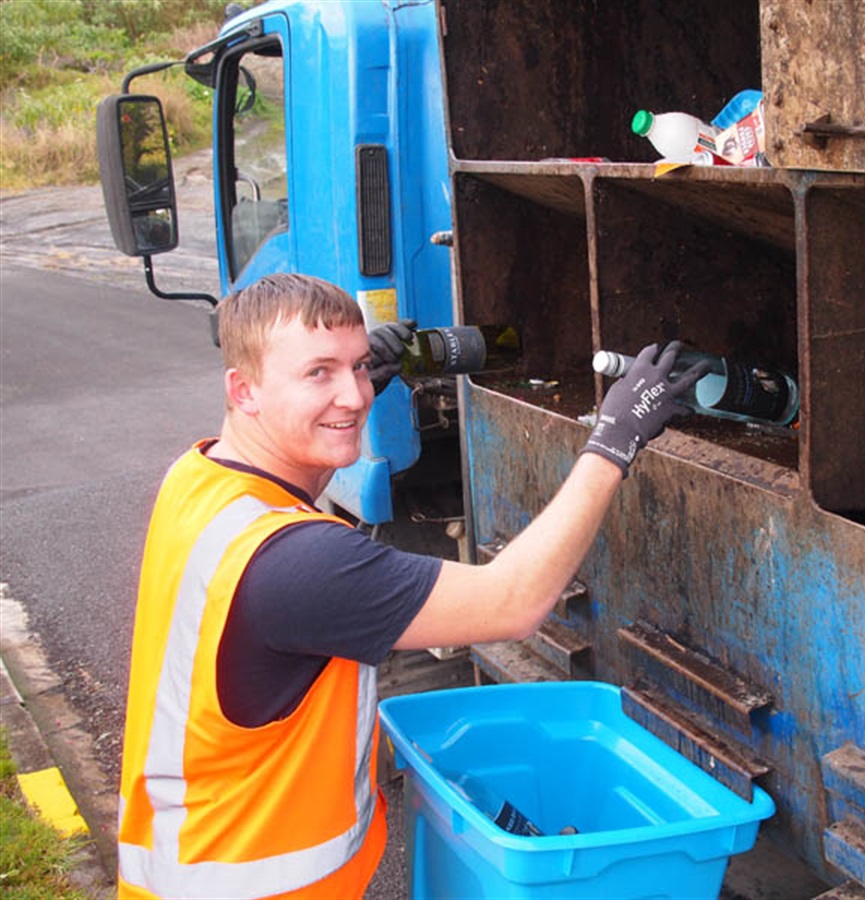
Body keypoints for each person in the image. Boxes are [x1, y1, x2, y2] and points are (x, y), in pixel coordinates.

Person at [116, 272, 702, 899]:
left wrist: (346, 397)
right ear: (244, 390)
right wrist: (613, 439)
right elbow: (513, 602)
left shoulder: (199, 477)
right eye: (319, 373)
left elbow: (287, 470)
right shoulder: (300, 563)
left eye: (360, 367)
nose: (353, 396)